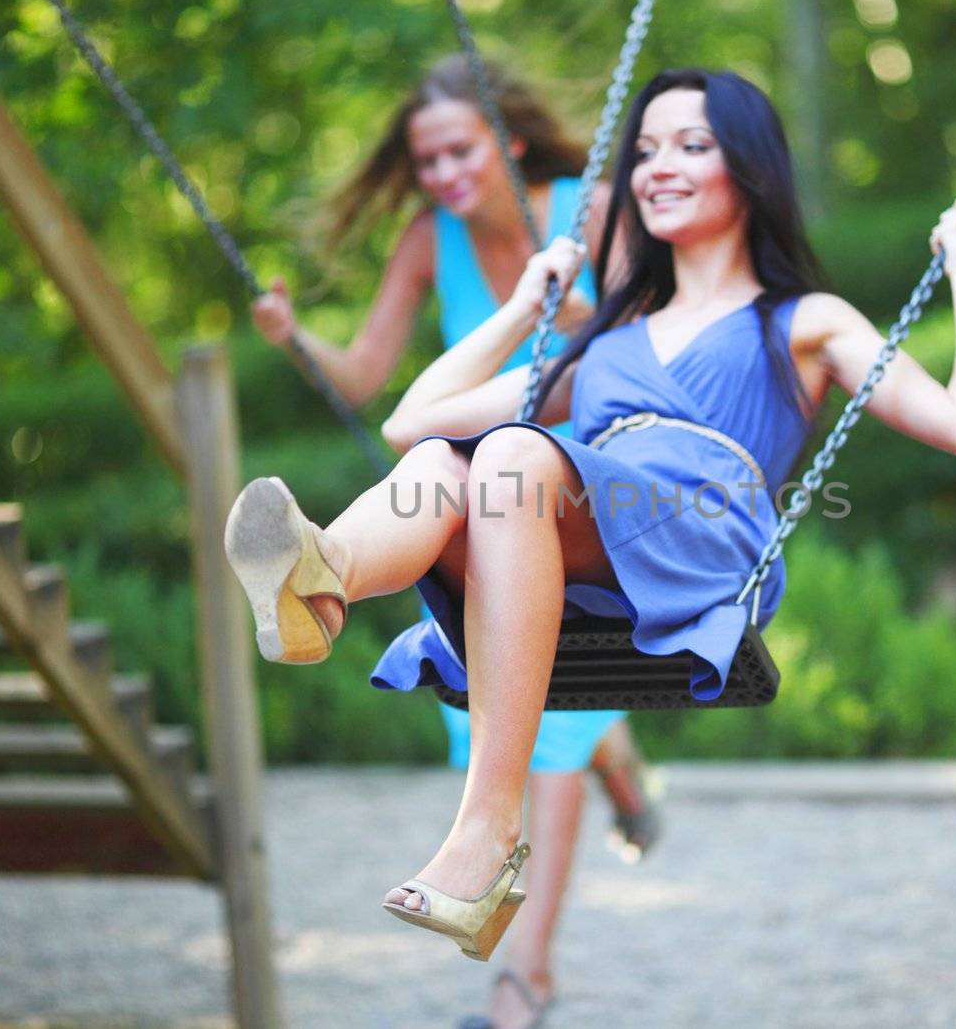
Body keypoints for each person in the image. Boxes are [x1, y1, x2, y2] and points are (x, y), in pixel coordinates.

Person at [224, 67, 956, 968]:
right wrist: (525, 307)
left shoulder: (801, 319)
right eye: (645, 150)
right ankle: (322, 586)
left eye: (691, 145)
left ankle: (486, 830)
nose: (657, 167)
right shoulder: (604, 346)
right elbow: (411, 420)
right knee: (446, 461)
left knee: (508, 456)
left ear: (748, 167)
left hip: (704, 539)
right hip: (587, 540)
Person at [247, 54, 656, 1028]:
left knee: (548, 725)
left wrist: (567, 315)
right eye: (425, 159)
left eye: (458, 149)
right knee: (510, 703)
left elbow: (662, 336)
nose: (440, 174)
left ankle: (526, 982)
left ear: (507, 139)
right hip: (480, 493)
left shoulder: (588, 209)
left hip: (590, 490)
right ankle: (324, 575)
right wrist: (296, 336)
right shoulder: (430, 242)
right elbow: (368, 377)